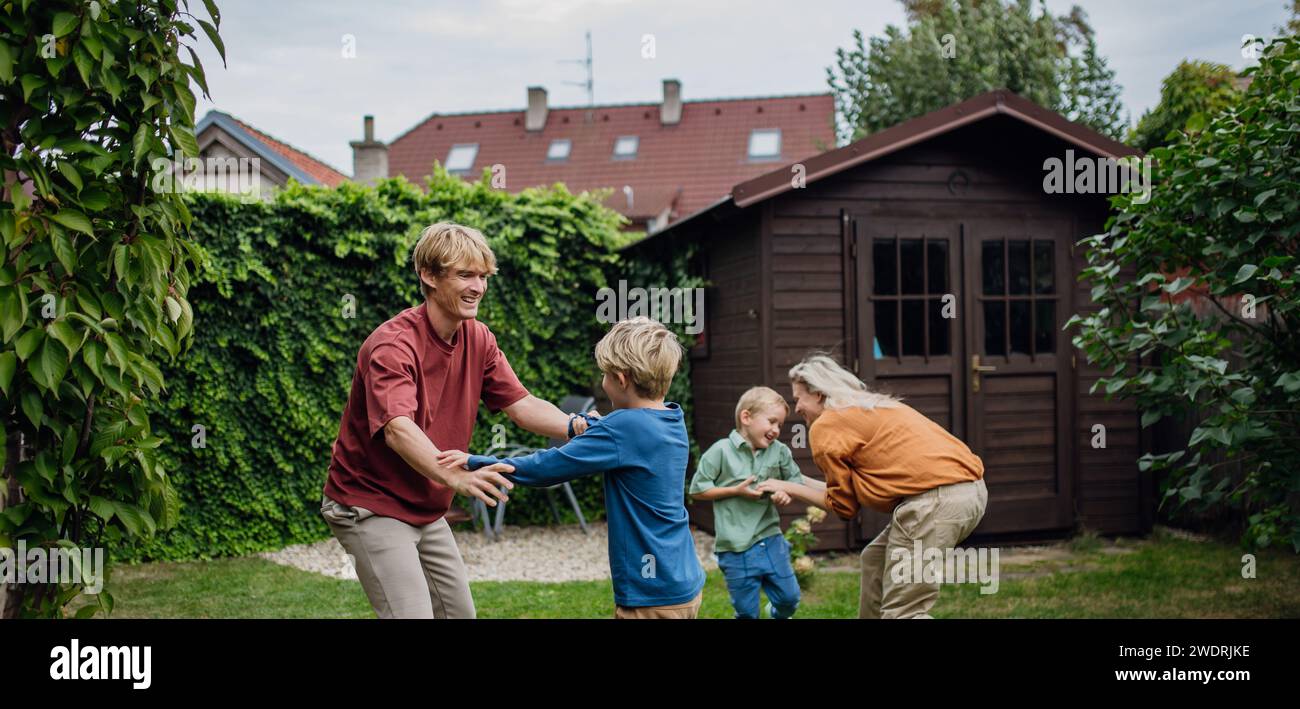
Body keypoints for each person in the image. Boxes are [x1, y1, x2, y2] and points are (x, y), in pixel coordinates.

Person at [320, 222, 594, 619]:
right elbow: (398, 428)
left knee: (459, 614)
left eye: (483, 276)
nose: (478, 287)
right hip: (369, 504)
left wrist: (575, 424)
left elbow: (521, 404)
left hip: (424, 504)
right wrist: (454, 476)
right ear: (429, 276)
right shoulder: (393, 346)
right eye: (465, 275)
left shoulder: (478, 338)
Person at [441, 317, 706, 619]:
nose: (603, 381)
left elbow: (546, 467)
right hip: (683, 580)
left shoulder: (623, 428)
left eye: (604, 375)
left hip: (651, 592)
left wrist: (478, 460)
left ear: (621, 379)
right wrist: (594, 427)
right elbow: (630, 435)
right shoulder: (671, 419)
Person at [756, 354, 987, 619]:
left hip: (934, 503)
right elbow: (847, 492)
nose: (796, 408)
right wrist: (792, 480)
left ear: (818, 394)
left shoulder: (826, 426)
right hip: (967, 493)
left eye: (799, 399)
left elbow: (843, 507)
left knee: (903, 612)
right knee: (875, 560)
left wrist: (790, 488)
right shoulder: (871, 408)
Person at [688, 386, 813, 619]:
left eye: (780, 425)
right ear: (746, 417)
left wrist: (785, 492)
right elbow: (697, 489)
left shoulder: (780, 452)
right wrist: (736, 490)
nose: (776, 430)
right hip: (734, 548)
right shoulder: (721, 451)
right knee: (746, 613)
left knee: (789, 598)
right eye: (772, 422)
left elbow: (794, 480)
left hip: (770, 538)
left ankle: (775, 612)